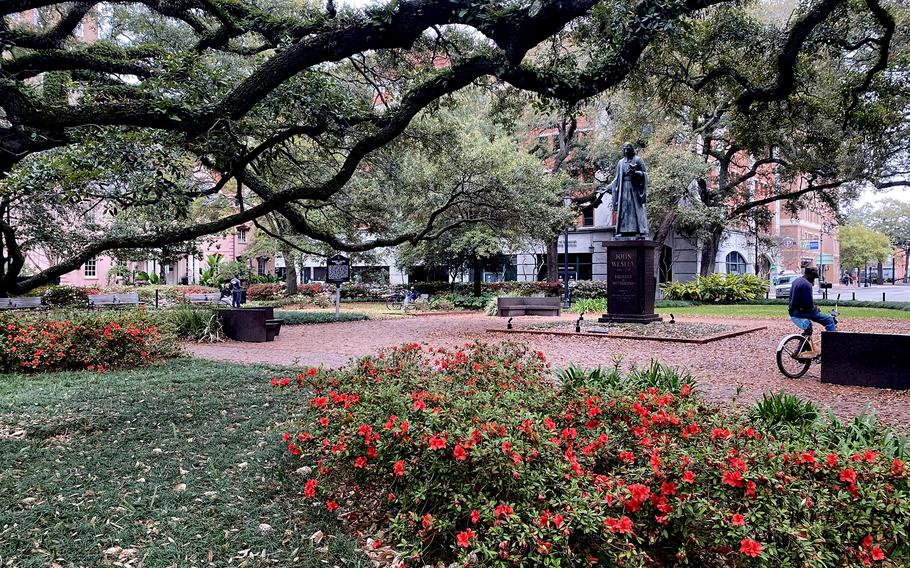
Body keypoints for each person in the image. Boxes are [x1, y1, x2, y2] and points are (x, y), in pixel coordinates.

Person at [609, 142, 650, 238]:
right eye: (624, 149)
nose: (626, 150)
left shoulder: (638, 160)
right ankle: (624, 231)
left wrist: (635, 172)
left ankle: (638, 230)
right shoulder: (620, 162)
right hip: (623, 189)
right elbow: (617, 178)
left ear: (632, 149)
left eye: (628, 148)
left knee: (634, 209)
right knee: (624, 210)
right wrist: (608, 187)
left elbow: (645, 175)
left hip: (634, 189)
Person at [788, 266, 836, 336]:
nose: (813, 280)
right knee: (829, 321)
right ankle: (831, 344)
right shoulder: (807, 284)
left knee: (808, 330)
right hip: (801, 313)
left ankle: (802, 345)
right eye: (813, 277)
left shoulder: (796, 281)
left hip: (793, 312)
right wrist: (815, 309)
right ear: (809, 275)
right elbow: (808, 305)